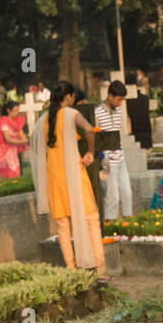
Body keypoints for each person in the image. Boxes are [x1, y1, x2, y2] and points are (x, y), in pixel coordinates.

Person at [35, 80, 106, 274]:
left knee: (63, 226)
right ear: (69, 97)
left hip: (54, 177)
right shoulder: (71, 114)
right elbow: (90, 130)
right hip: (73, 174)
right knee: (91, 218)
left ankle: (71, 269)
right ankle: (100, 268)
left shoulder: (43, 120)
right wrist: (90, 152)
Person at [95, 79, 133, 220]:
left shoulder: (118, 111)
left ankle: (129, 225)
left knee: (127, 194)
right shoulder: (97, 113)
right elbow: (97, 138)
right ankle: (111, 227)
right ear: (110, 96)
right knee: (112, 198)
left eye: (122, 100)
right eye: (118, 99)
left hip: (120, 159)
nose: (120, 103)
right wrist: (103, 161)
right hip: (108, 162)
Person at [0, 100, 28, 178]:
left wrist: (26, 140)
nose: (17, 113)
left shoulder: (17, 121)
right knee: (7, 176)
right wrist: (25, 141)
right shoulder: (3, 121)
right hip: (3, 152)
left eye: (18, 110)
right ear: (9, 110)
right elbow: (7, 139)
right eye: (15, 110)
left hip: (14, 152)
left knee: (16, 175)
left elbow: (22, 135)